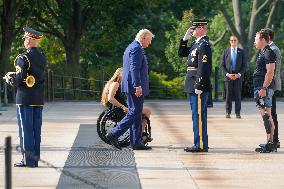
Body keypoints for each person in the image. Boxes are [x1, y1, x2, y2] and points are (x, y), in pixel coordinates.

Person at [3, 27, 47, 167]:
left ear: (28, 40)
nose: (24, 42)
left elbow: (19, 80)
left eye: (25, 39)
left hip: (25, 99)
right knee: (36, 130)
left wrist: (9, 79)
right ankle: (35, 160)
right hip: (38, 99)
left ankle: (28, 160)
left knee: (25, 130)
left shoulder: (23, 58)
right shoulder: (42, 57)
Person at [105, 29, 154, 150]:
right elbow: (134, 68)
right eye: (149, 40)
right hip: (134, 87)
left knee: (136, 114)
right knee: (134, 112)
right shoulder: (136, 48)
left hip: (131, 86)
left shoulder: (131, 47)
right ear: (143, 38)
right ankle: (113, 133)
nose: (149, 43)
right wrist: (137, 85)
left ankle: (136, 142)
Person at [178, 19, 212, 152]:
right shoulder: (196, 44)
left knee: (198, 115)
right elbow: (181, 53)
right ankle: (199, 143)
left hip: (198, 85)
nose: (192, 31)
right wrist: (184, 39)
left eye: (194, 28)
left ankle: (200, 144)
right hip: (192, 83)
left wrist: (199, 84)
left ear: (202, 29)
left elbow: (204, 67)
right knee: (196, 115)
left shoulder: (204, 45)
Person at [101, 67, 152, 134]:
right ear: (119, 74)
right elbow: (110, 98)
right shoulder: (115, 84)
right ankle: (139, 134)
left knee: (142, 110)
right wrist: (123, 107)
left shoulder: (115, 84)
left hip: (118, 110)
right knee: (147, 111)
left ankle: (138, 132)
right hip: (119, 111)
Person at [253, 29, 277, 153]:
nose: (254, 42)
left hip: (263, 88)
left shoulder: (268, 52)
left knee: (266, 116)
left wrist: (264, 88)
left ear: (263, 40)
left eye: (256, 39)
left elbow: (270, 72)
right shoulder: (263, 52)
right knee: (266, 115)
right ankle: (269, 142)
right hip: (260, 87)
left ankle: (270, 143)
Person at [262, 28, 281, 149]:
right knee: (271, 112)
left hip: (271, 84)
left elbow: (272, 71)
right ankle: (274, 140)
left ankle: (274, 140)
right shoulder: (271, 49)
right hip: (270, 84)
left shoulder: (273, 49)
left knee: (271, 113)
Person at [221, 36, 246, 119]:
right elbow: (222, 65)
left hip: (238, 77)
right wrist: (228, 74)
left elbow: (244, 66)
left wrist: (238, 74)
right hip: (228, 77)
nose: (233, 42)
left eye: (235, 40)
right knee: (228, 96)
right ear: (229, 41)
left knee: (238, 96)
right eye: (232, 40)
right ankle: (228, 112)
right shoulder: (226, 51)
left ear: (237, 41)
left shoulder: (241, 52)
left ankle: (238, 113)